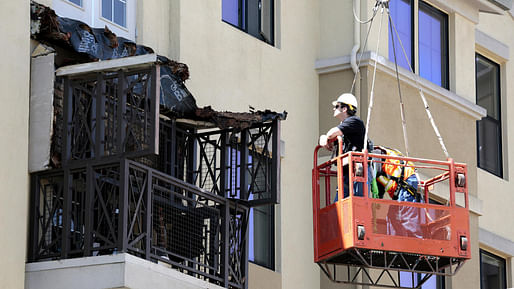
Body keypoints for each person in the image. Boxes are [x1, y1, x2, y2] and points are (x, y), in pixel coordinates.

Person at [319, 93, 369, 199]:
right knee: (341, 206)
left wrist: (326, 136)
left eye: (337, 106)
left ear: (344, 108)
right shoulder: (345, 128)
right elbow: (331, 142)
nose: (334, 109)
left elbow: (332, 134)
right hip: (347, 173)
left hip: (357, 173)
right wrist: (324, 138)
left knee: (357, 205)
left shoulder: (354, 122)